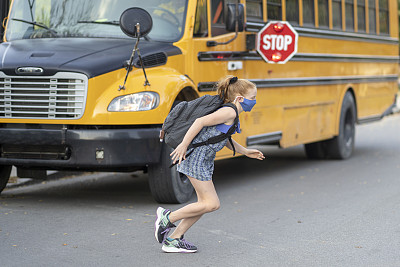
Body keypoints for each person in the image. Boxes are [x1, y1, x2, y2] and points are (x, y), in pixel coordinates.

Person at [154, 75, 265, 253]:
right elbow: (200, 122)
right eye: (253, 98)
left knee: (204, 203)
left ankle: (174, 239)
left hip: (203, 160)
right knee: (212, 204)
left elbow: (222, 137)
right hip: (195, 159)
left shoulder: (231, 113)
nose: (255, 101)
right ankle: (167, 217)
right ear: (240, 99)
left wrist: (245, 151)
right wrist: (183, 145)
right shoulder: (229, 112)